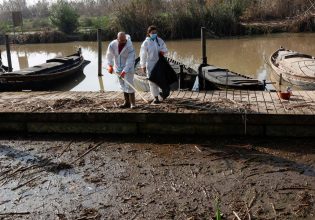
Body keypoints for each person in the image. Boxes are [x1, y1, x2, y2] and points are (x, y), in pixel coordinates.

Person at [106, 32, 136, 109]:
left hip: (128, 68)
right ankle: (126, 102)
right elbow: (109, 55)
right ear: (117, 39)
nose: (123, 42)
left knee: (129, 85)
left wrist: (125, 70)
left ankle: (133, 104)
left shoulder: (129, 46)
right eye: (121, 40)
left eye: (124, 40)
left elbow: (130, 60)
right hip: (117, 67)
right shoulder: (112, 44)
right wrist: (110, 65)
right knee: (122, 85)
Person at [140, 25, 168, 104]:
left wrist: (163, 51)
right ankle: (156, 98)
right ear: (149, 33)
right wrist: (143, 66)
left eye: (155, 32)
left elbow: (165, 49)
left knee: (161, 79)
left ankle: (162, 94)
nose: (154, 34)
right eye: (152, 33)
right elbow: (143, 55)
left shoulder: (159, 40)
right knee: (152, 81)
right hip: (150, 64)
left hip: (159, 63)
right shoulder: (146, 43)